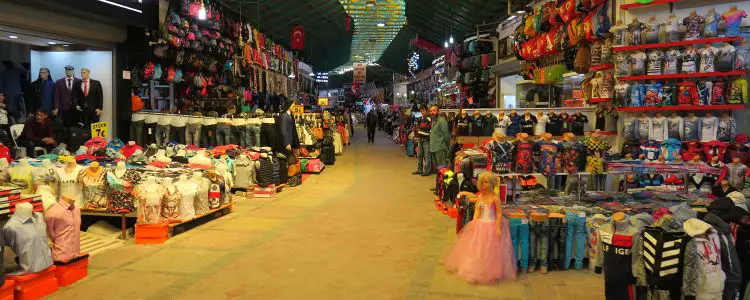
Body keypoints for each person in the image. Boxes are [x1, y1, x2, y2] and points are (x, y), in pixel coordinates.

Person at [444, 172, 516, 284]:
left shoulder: (495, 199)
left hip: (491, 225)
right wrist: (474, 223)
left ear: (492, 184)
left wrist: (497, 227)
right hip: (481, 225)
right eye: (482, 182)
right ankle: (476, 268)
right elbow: (477, 211)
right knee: (478, 248)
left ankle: (490, 271)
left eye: (486, 182)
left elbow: (499, 214)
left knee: (490, 250)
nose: (483, 185)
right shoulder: (480, 197)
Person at [413, 106, 433, 176]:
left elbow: (431, 129)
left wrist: (428, 136)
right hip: (421, 139)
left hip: (426, 140)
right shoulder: (422, 118)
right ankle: (420, 170)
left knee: (427, 156)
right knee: (419, 155)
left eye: (422, 111)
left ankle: (427, 171)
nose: (421, 113)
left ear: (425, 110)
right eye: (421, 111)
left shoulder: (429, 118)